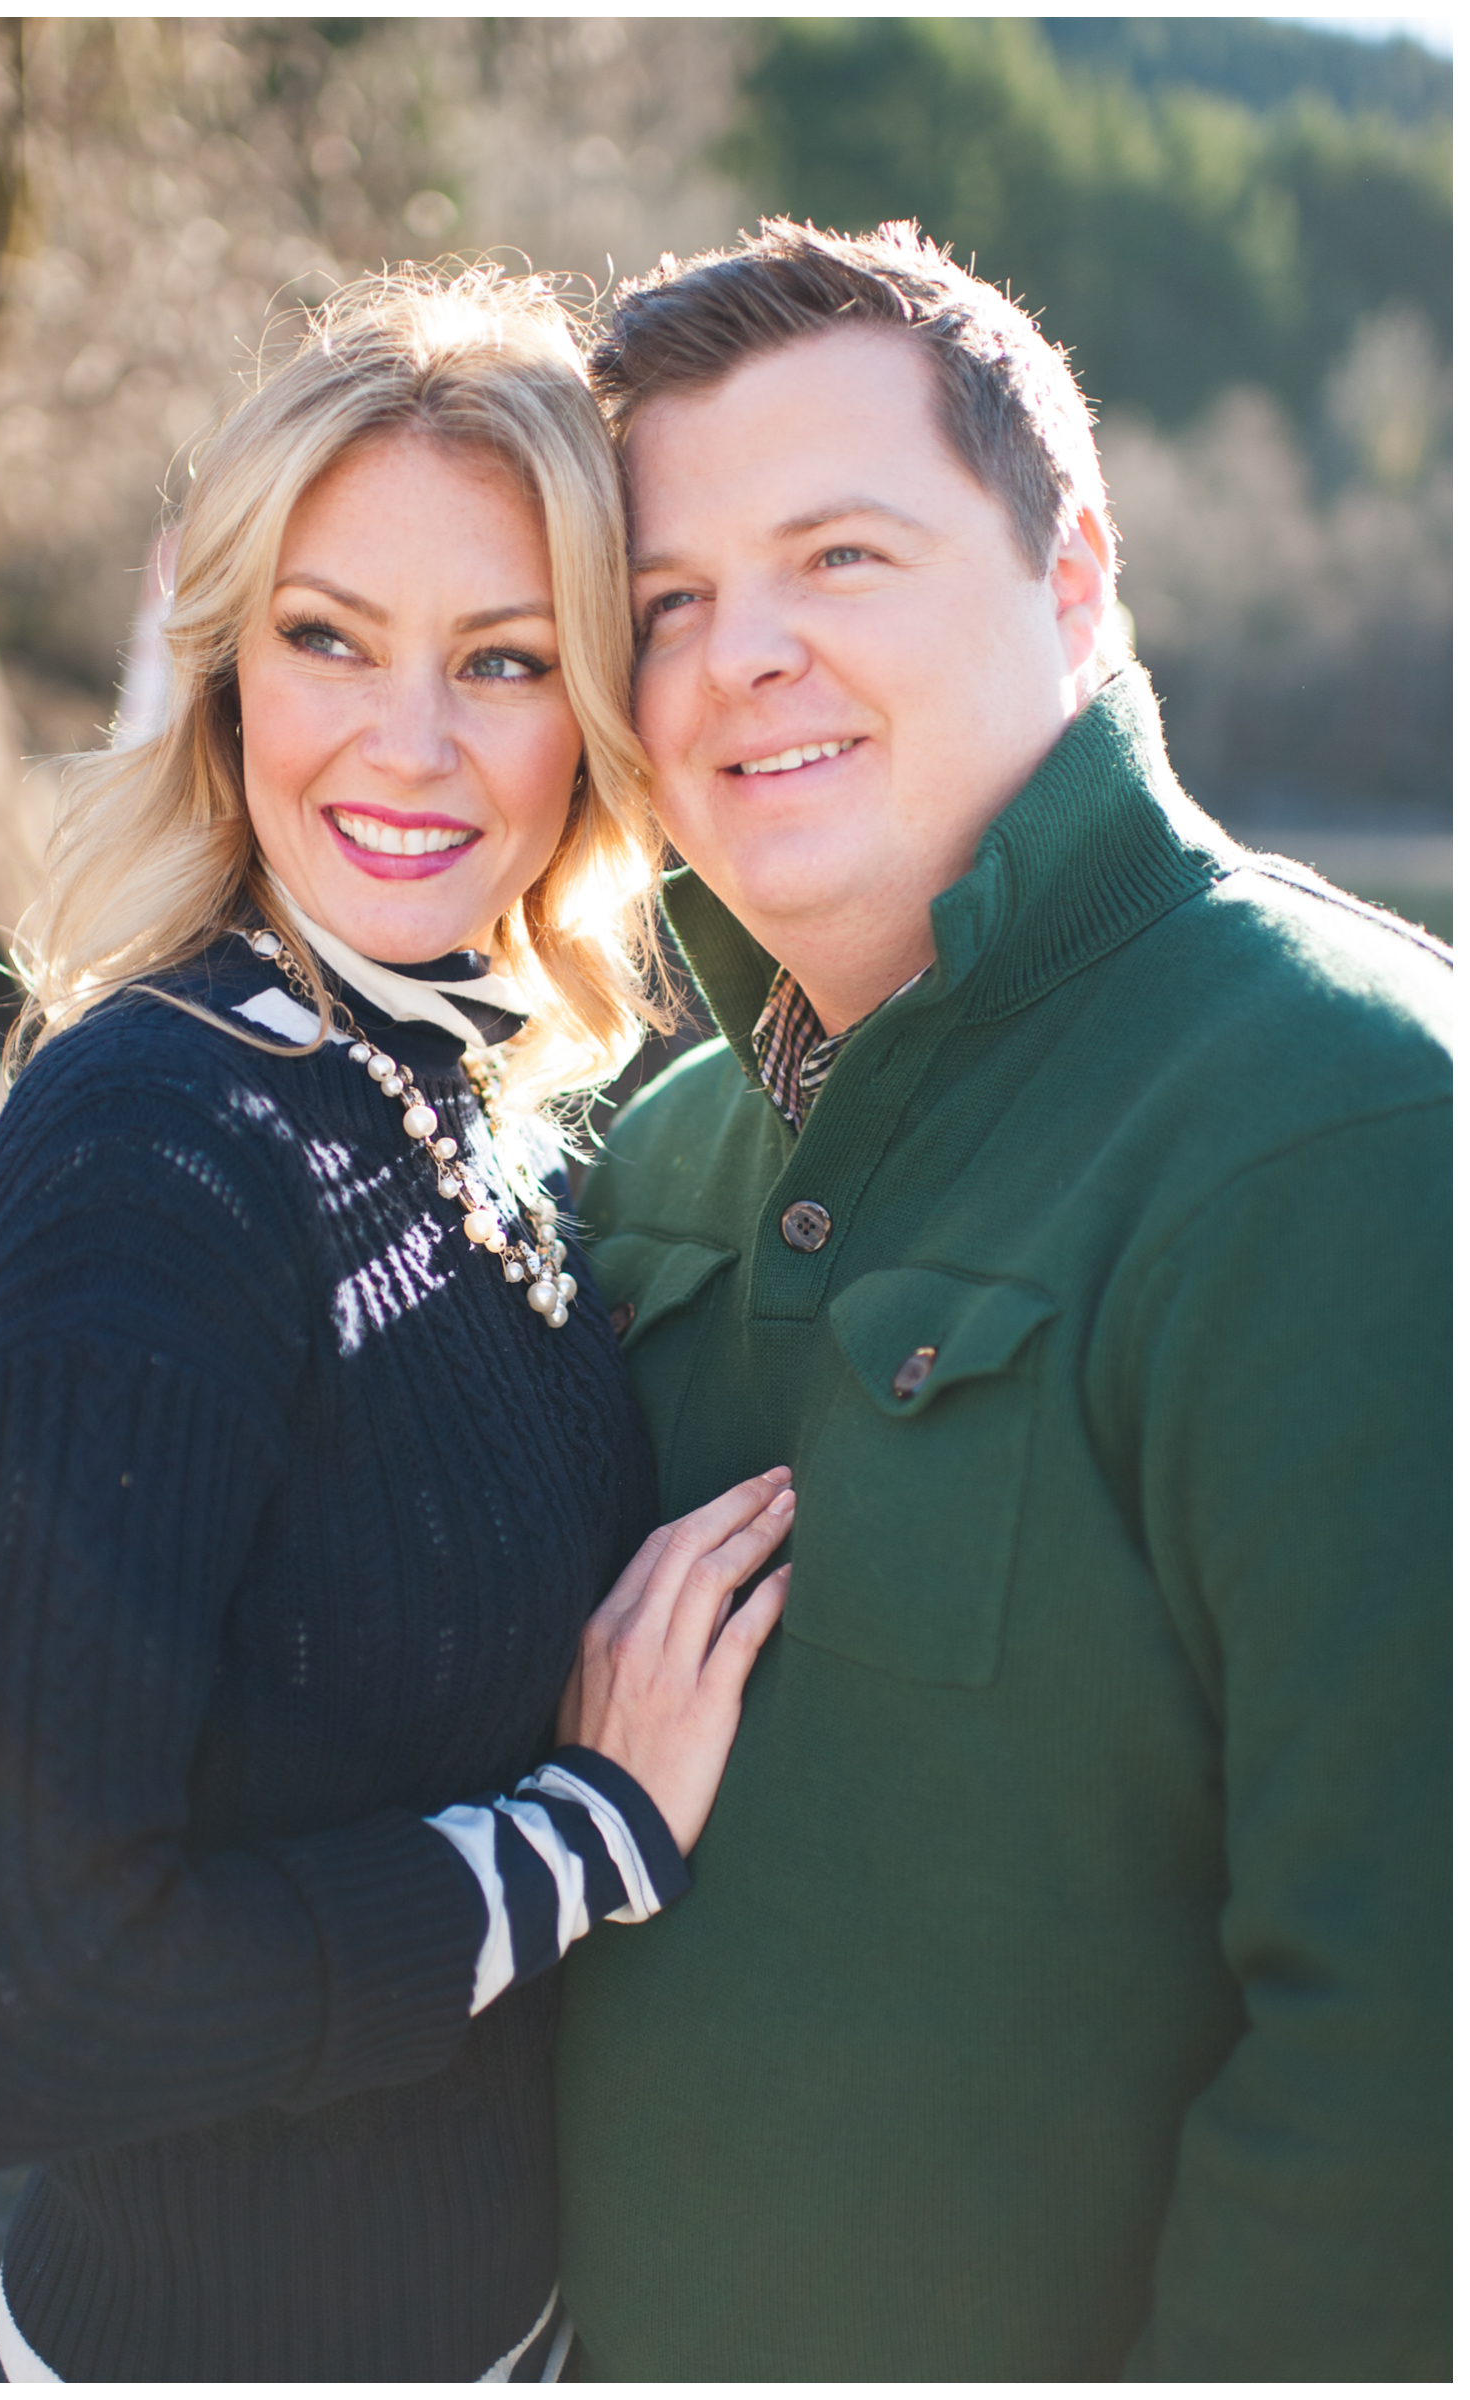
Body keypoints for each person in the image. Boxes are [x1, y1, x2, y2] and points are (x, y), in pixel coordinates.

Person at [0, 269, 799, 2382]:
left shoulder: (473, 1089)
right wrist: (589, 1834)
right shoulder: (152, 1151)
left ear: (598, 716)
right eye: (328, 640)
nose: (411, 743)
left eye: (505, 660)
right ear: (224, 674)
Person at [553, 220, 1448, 2378]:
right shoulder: (650, 1155)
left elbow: (1415, 2060)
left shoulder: (1349, 1124)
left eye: (840, 556)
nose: (736, 657)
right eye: (664, 602)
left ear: (1073, 579)